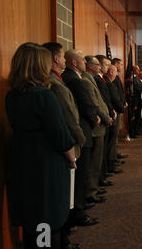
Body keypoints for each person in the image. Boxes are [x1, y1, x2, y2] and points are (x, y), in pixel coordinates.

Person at [6, 43, 77, 249]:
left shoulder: (12, 96)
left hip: (23, 161)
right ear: (39, 65)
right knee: (47, 218)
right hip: (46, 164)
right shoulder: (44, 96)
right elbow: (60, 135)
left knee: (33, 221)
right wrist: (72, 158)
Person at [42, 43, 98, 229]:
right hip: (71, 138)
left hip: (73, 135)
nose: (85, 62)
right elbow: (68, 115)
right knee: (74, 183)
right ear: (57, 59)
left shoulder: (60, 79)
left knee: (78, 180)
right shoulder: (59, 83)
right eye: (83, 59)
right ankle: (72, 220)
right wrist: (81, 138)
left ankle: (71, 217)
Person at [62, 51, 106, 209]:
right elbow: (86, 103)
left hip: (88, 125)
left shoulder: (76, 77)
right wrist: (95, 117)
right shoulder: (74, 79)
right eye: (82, 60)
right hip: (85, 128)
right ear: (74, 62)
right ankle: (81, 205)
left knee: (90, 166)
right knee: (84, 171)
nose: (84, 64)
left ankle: (87, 196)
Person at [82, 55, 113, 196]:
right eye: (97, 64)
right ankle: (91, 191)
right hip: (96, 125)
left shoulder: (90, 79)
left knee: (97, 158)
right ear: (89, 66)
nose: (100, 67)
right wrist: (106, 117)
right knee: (94, 160)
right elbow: (95, 103)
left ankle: (93, 187)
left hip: (101, 122)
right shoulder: (87, 80)